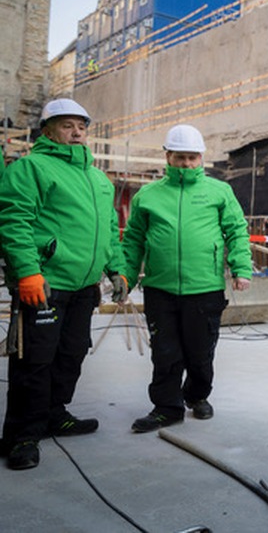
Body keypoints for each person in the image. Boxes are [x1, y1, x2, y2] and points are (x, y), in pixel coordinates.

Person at [0, 98, 128, 470]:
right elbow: (14, 222)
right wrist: (26, 272)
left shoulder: (98, 179)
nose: (76, 132)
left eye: (81, 126)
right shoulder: (31, 168)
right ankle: (22, 435)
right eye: (67, 125)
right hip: (45, 283)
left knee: (71, 355)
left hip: (84, 287)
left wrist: (116, 270)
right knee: (34, 362)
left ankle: (55, 413)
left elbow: (109, 233)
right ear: (48, 130)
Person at [122, 124, 253, 433]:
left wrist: (241, 268)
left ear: (202, 158)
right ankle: (166, 407)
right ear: (167, 156)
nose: (186, 164)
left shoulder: (219, 192)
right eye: (179, 157)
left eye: (192, 158)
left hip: (204, 288)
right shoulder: (149, 195)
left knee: (200, 352)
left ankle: (196, 396)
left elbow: (236, 231)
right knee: (165, 351)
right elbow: (133, 240)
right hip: (160, 288)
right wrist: (125, 278)